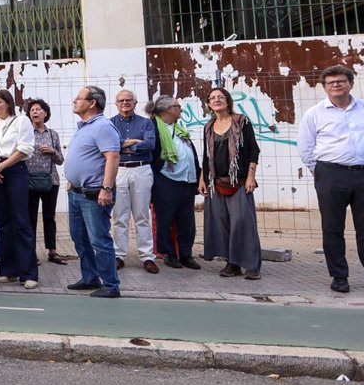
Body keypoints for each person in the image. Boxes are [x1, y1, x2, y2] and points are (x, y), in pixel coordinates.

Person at [298, 65, 364, 295]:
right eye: (331, 82)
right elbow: (306, 148)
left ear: (351, 83)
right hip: (331, 174)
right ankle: (339, 277)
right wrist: (321, 172)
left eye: (341, 81)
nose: (336, 85)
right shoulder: (314, 114)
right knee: (332, 228)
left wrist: (362, 160)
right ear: (324, 87)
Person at [0, 89, 38, 290]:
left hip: (14, 171)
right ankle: (8, 270)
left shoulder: (21, 121)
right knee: (3, 222)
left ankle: (28, 273)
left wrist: (1, 167)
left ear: (8, 103)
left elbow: (25, 148)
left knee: (21, 221)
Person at [65, 86, 122, 298]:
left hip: (95, 194)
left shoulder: (103, 126)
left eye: (79, 98)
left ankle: (110, 285)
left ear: (92, 103)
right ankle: (90, 277)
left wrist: (106, 188)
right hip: (76, 192)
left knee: (99, 239)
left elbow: (113, 157)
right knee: (79, 236)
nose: (74, 101)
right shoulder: (83, 126)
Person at [201, 87, 262, 279]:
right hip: (216, 182)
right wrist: (203, 179)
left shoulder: (241, 122)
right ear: (209, 104)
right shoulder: (208, 126)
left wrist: (251, 176)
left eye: (221, 97)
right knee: (222, 223)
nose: (217, 100)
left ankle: (252, 266)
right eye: (213, 98)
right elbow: (206, 155)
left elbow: (254, 150)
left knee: (242, 223)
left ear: (228, 100)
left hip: (240, 181)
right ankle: (232, 263)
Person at [148, 96, 202, 270]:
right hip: (166, 181)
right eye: (177, 106)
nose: (181, 109)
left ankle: (186, 254)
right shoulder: (154, 128)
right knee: (165, 220)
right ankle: (169, 254)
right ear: (167, 110)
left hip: (186, 181)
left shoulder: (179, 129)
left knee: (186, 221)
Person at [109, 89, 159, 274]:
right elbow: (111, 145)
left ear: (135, 103)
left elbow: (150, 144)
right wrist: (134, 143)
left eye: (129, 100)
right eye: (121, 100)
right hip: (119, 170)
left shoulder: (146, 123)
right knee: (120, 216)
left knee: (141, 215)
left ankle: (147, 257)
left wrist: (126, 145)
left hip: (142, 170)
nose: (125, 103)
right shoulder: (110, 123)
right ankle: (119, 255)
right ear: (116, 104)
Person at [24, 98, 66, 267]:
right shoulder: (25, 133)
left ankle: (52, 251)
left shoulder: (52, 134)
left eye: (38, 109)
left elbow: (60, 160)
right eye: (32, 110)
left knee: (50, 217)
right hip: (29, 182)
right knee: (30, 218)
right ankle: (30, 253)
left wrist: (52, 151)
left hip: (51, 182)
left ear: (46, 113)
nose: (35, 112)